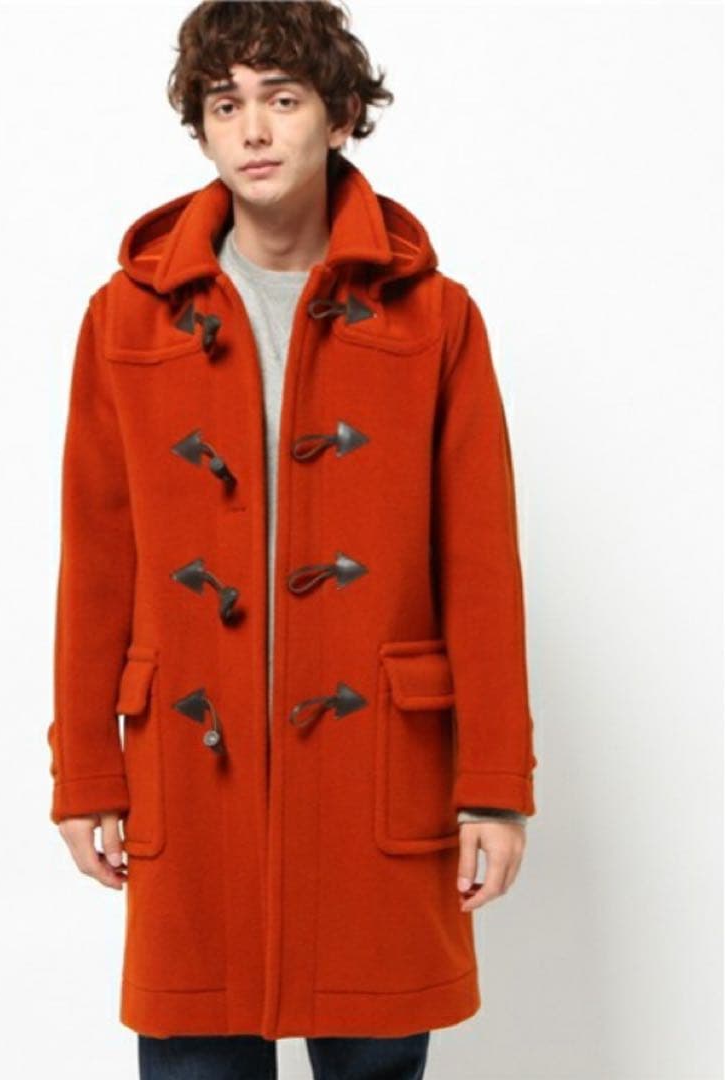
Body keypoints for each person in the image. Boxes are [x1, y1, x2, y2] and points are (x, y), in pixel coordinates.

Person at [47, 3, 538, 1077]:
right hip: (191, 769)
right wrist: (85, 772)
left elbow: (481, 565)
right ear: (201, 128)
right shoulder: (126, 320)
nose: (255, 130)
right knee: (194, 1057)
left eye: (283, 98)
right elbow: (96, 560)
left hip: (374, 770)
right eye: (225, 105)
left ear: (342, 114)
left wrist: (495, 784)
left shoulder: (434, 319)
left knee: (374, 1060)